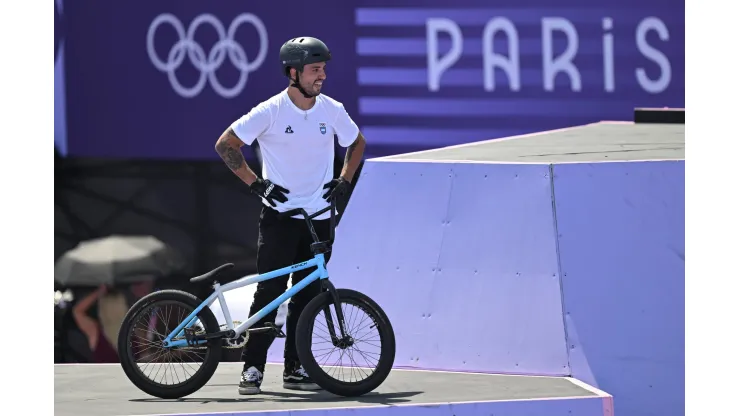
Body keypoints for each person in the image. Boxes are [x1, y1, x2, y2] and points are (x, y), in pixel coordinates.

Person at [214, 36, 365, 395]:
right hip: (280, 218)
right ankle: (252, 368)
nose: (322, 76)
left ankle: (295, 367)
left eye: (324, 69)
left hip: (319, 218)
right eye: (315, 69)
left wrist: (344, 180)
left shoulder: (331, 109)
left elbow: (357, 143)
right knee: (269, 292)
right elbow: (225, 145)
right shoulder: (271, 111)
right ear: (293, 72)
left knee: (309, 295)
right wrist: (255, 184)